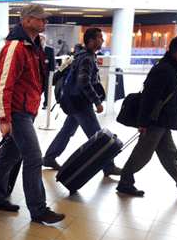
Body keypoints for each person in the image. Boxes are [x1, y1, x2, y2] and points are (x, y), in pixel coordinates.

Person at [0, 4, 65, 224]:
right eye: (41, 19)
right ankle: (38, 209)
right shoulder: (16, 47)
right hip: (18, 113)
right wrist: (5, 119)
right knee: (33, 158)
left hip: (26, 110)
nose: (45, 22)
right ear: (27, 21)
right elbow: (4, 85)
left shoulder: (32, 45)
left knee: (10, 156)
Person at [117, 35, 177, 196]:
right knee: (143, 153)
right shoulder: (165, 69)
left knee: (169, 153)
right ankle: (125, 182)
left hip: (163, 120)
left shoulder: (170, 67)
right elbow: (149, 97)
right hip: (155, 121)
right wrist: (143, 122)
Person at [42, 28, 122, 177]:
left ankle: (49, 157)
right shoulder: (87, 58)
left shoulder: (78, 54)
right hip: (81, 104)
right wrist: (97, 101)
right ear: (91, 41)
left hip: (73, 101)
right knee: (98, 137)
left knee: (66, 132)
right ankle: (109, 166)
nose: (102, 40)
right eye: (99, 38)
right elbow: (83, 81)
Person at [40, 34, 56, 109]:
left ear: (44, 40)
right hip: (37, 74)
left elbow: (53, 63)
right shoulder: (35, 49)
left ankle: (46, 104)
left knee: (47, 90)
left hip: (47, 74)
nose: (40, 41)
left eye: (41, 39)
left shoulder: (50, 49)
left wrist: (51, 74)